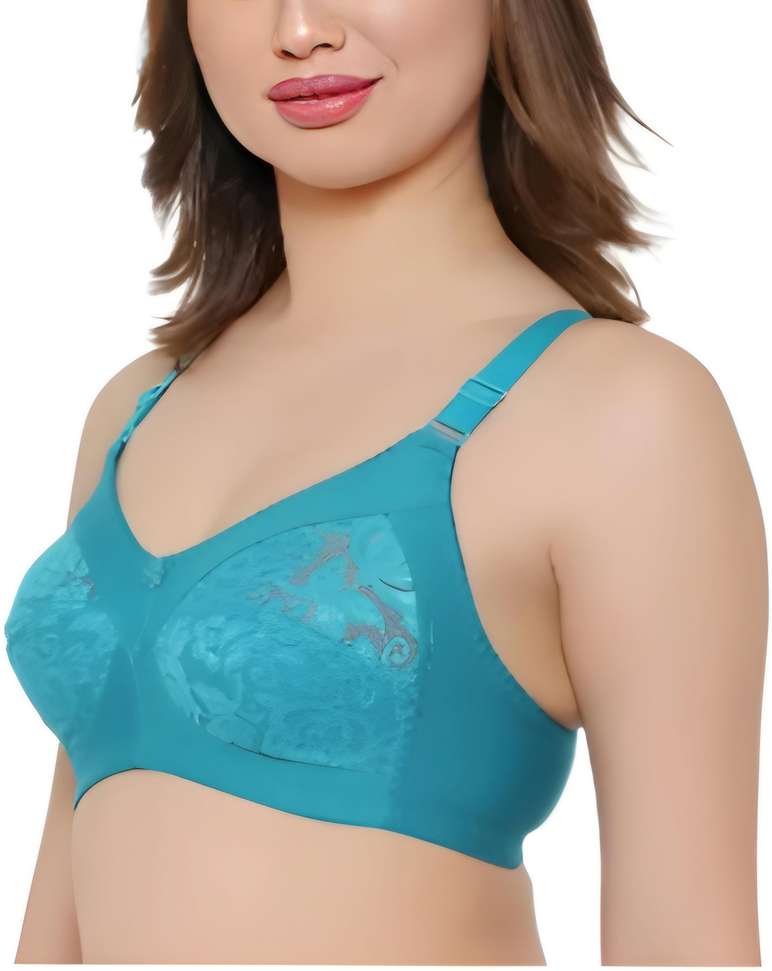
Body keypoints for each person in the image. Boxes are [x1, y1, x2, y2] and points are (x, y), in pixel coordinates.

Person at [5, 0, 765, 964]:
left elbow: (686, 943)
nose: (299, 29)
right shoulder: (137, 406)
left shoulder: (619, 412)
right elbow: (65, 877)